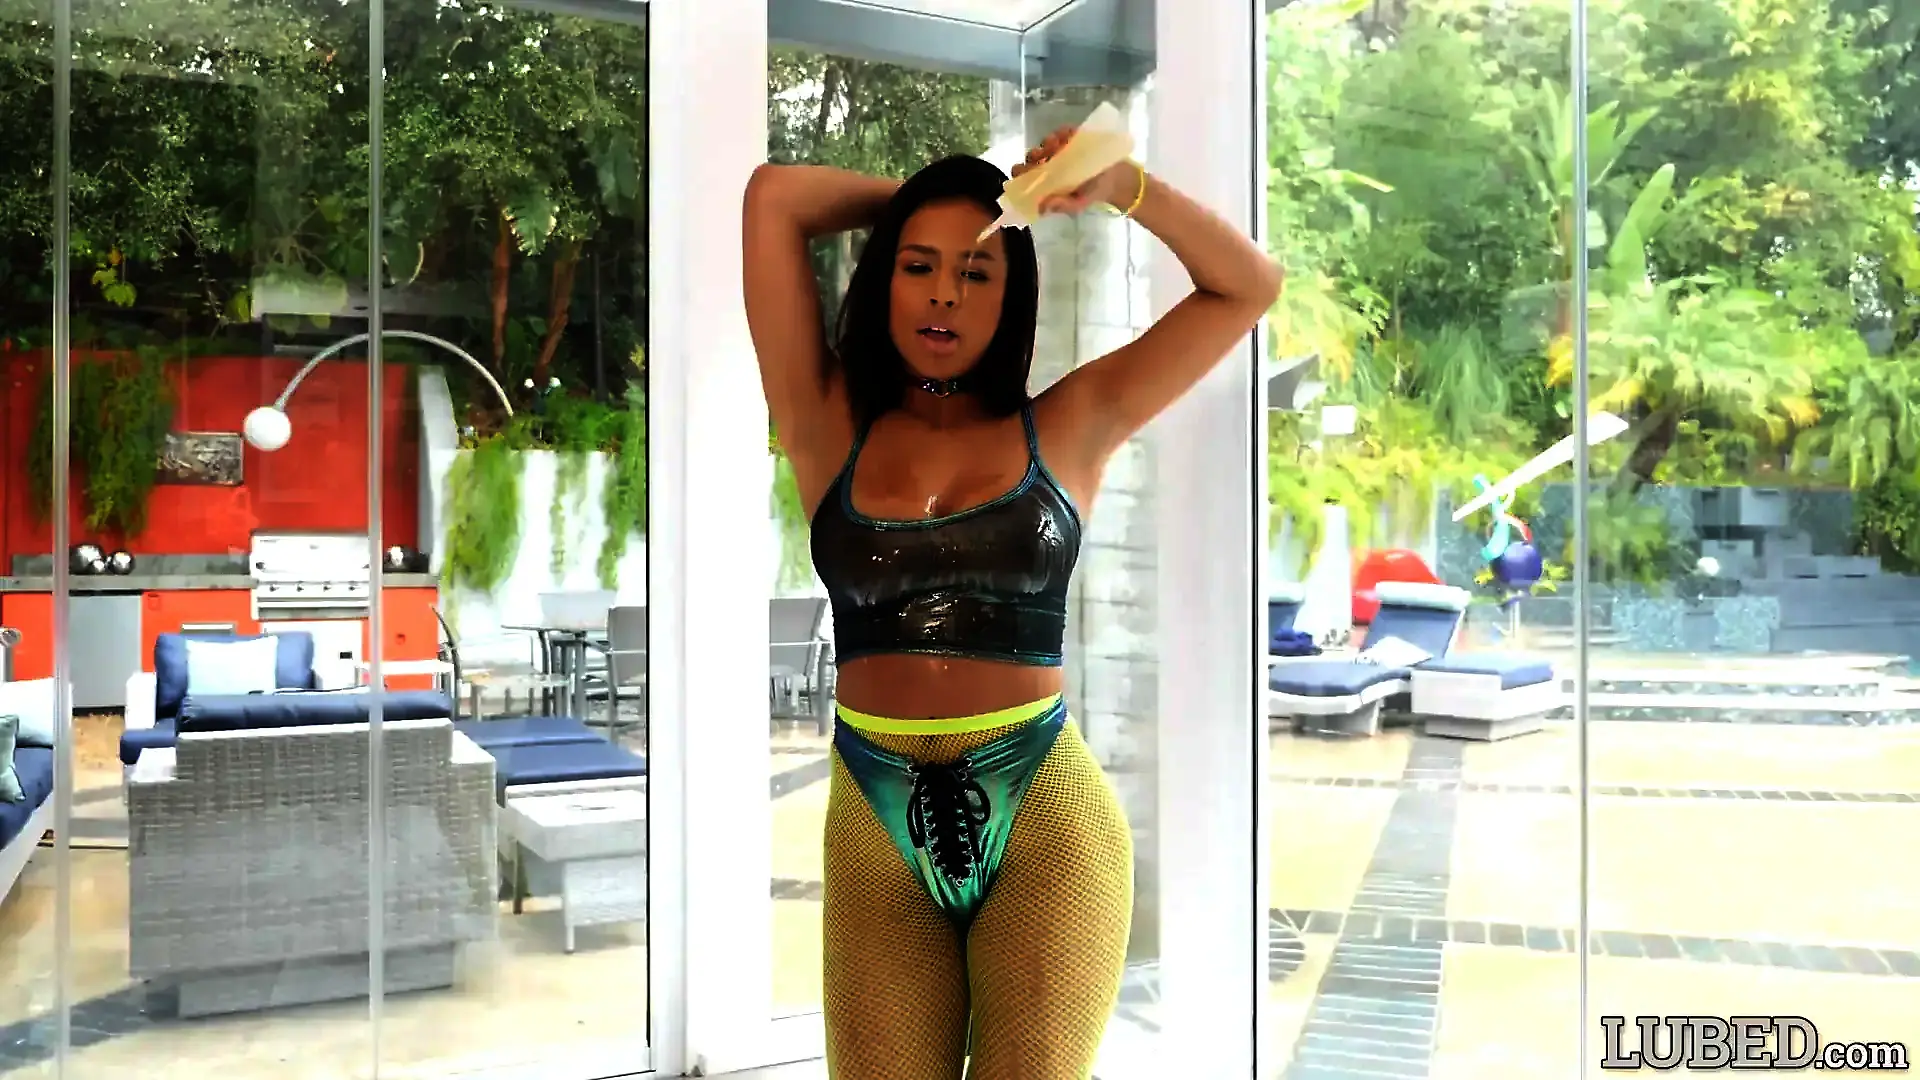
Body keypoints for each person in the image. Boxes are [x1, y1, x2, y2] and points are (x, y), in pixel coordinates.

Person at [742, 125, 1282, 1080]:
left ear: (1013, 291)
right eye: (918, 266)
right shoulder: (825, 423)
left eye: (977, 270)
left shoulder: (1071, 423)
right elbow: (774, 198)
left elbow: (1248, 286)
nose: (945, 293)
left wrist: (1120, 185)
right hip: (870, 813)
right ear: (885, 279)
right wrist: (956, 200)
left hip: (1046, 817)